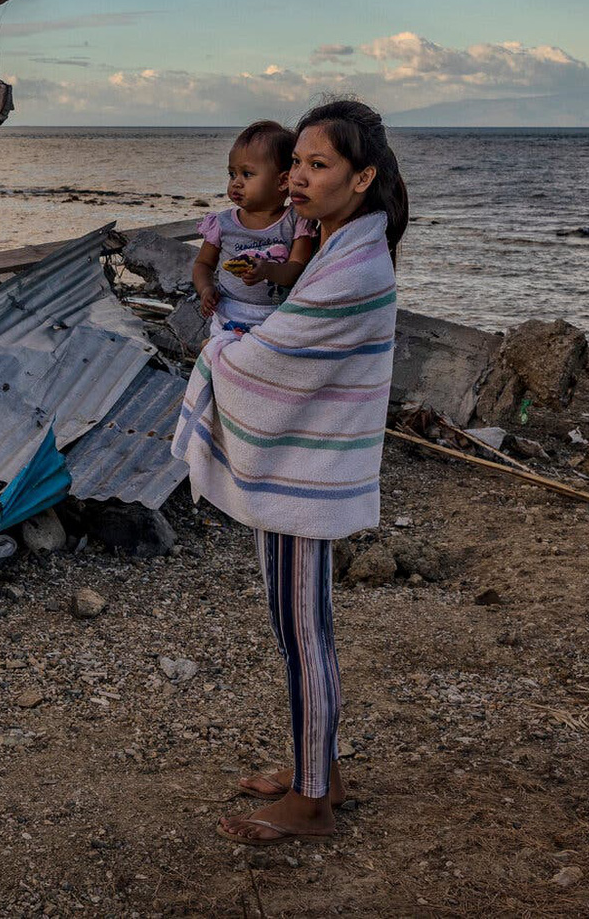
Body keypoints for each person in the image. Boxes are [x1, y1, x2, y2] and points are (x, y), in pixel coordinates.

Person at [170, 98, 409, 847]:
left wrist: (216, 351)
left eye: (318, 165)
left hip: (306, 470)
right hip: (304, 463)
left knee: (303, 629)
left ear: (362, 177)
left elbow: (272, 354)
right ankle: (321, 770)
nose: (298, 179)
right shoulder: (331, 243)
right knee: (298, 623)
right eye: (296, 163)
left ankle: (313, 803)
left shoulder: (355, 263)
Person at [190, 121, 317, 344]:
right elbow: (203, 264)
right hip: (229, 310)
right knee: (222, 360)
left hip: (275, 315)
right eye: (232, 174)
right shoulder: (222, 223)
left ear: (282, 181)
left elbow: (296, 270)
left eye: (247, 174)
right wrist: (206, 288)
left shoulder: (295, 221)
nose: (236, 183)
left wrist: (267, 270)